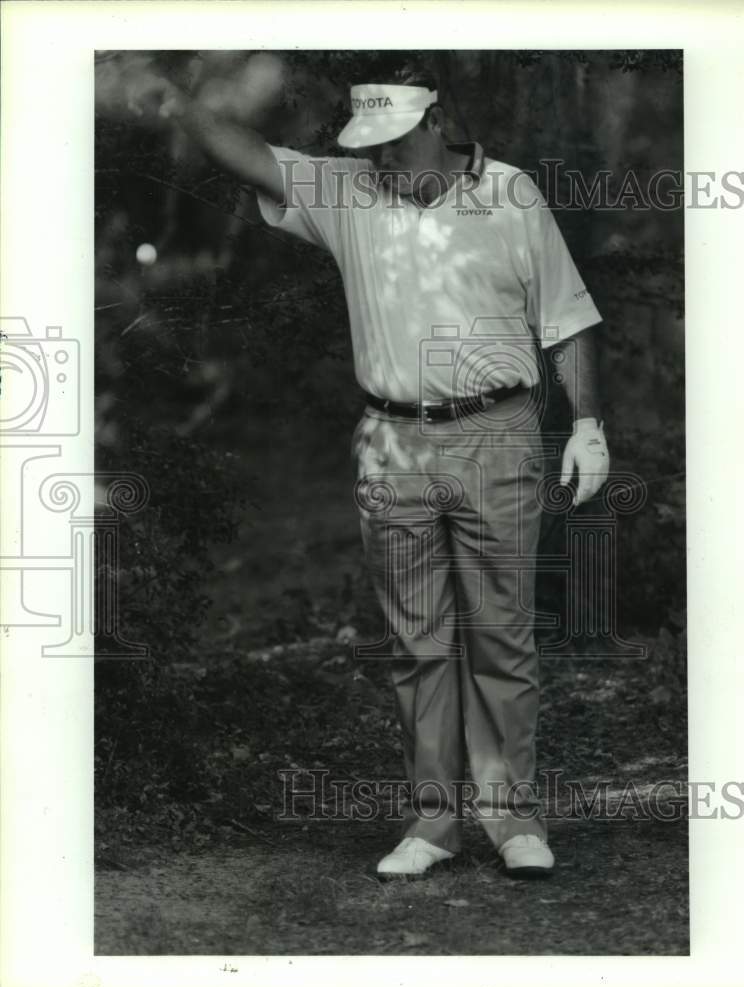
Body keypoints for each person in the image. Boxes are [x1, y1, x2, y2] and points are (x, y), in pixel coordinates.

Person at [130, 64, 609, 880]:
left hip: (496, 434)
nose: (383, 160)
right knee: (417, 642)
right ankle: (433, 825)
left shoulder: (510, 194)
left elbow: (566, 318)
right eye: (371, 147)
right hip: (391, 441)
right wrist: (178, 102)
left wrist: (588, 427)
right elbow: (250, 155)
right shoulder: (349, 192)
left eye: (395, 144)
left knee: (500, 635)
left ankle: (512, 819)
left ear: (436, 123)